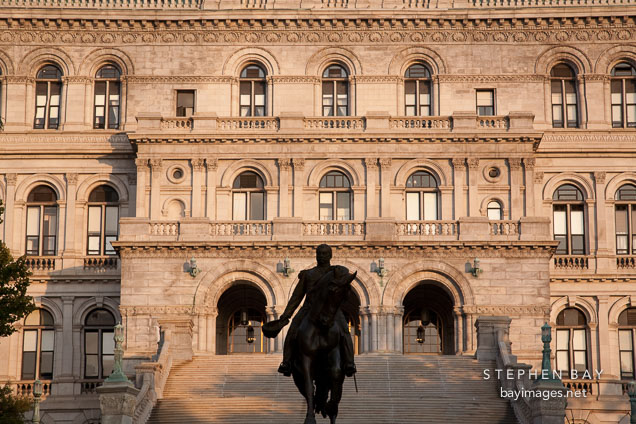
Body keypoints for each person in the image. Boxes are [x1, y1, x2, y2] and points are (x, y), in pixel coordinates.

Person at [277, 244, 357, 377]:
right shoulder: (308, 274)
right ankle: (287, 362)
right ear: (316, 255)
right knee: (293, 330)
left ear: (330, 256)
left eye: (325, 254)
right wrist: (286, 315)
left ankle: (349, 363)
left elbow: (345, 292)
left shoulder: (337, 273)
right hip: (309, 309)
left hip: (331, 311)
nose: (322, 256)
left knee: (344, 332)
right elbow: (296, 297)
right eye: (319, 253)